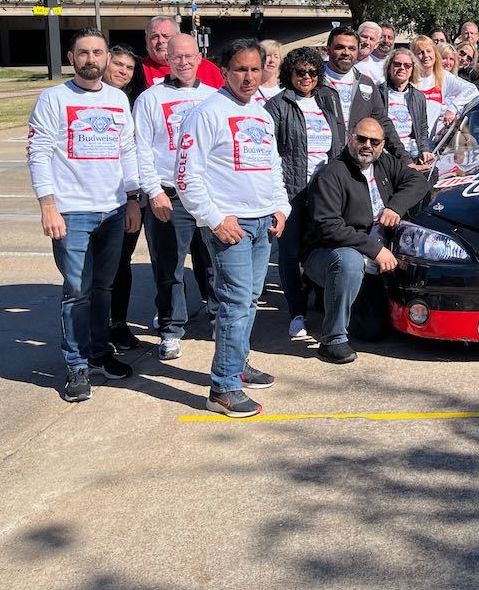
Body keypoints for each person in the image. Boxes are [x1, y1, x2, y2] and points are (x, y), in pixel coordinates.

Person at [176, 38, 289, 418]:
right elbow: (187, 176)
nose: (249, 77)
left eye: (255, 69)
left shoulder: (261, 113)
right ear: (224, 71)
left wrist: (280, 207)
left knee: (249, 300)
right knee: (235, 304)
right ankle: (223, 388)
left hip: (262, 222)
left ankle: (237, 364)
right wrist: (214, 218)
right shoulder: (207, 112)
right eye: (241, 69)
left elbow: (272, 167)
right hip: (231, 226)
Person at [27, 28, 141, 402]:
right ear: (71, 57)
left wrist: (132, 199)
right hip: (71, 212)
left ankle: (99, 352)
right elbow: (39, 154)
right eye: (83, 53)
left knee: (103, 288)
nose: (91, 59)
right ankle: (76, 365)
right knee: (77, 292)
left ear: (106, 57)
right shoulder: (53, 99)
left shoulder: (118, 99)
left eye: (97, 52)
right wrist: (48, 205)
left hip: (113, 210)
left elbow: (127, 151)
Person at [305, 117, 430, 363]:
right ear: (350, 138)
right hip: (331, 253)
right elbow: (329, 228)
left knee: (371, 330)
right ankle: (332, 340)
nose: (367, 145)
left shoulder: (384, 162)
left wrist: (395, 207)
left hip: (373, 254)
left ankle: (337, 299)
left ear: (382, 144)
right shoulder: (331, 174)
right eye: (361, 139)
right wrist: (376, 250)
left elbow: (418, 181)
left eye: (374, 141)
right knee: (349, 261)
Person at [133, 33, 219, 361]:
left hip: (208, 196)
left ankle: (217, 317)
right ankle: (171, 328)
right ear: (167, 59)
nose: (183, 62)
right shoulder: (150, 99)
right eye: (176, 56)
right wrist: (154, 191)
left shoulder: (213, 97)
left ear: (199, 58)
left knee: (214, 264)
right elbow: (141, 150)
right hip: (169, 197)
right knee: (169, 268)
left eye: (189, 56)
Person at [264, 46, 340, 341]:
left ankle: (319, 301)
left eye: (312, 72)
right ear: (289, 73)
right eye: (300, 72)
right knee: (290, 254)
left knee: (322, 246)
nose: (307, 77)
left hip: (324, 192)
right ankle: (296, 311)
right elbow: (269, 154)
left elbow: (337, 146)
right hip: (291, 192)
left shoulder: (327, 100)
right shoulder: (277, 105)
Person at [102, 43, 143, 351]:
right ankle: (95, 328)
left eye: (129, 67)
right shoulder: (90, 98)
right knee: (97, 268)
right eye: (118, 64)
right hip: (94, 196)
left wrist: (135, 196)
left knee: (121, 262)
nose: (123, 71)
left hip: (128, 195)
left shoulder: (135, 101)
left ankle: (118, 323)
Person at [320, 26, 406, 157]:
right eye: (340, 47)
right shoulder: (314, 81)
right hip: (322, 160)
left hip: (355, 159)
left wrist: (404, 158)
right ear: (328, 49)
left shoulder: (366, 83)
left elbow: (383, 122)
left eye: (352, 48)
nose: (346, 52)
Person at [130, 14, 224, 99]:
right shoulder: (136, 70)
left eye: (166, 36)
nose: (161, 41)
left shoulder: (208, 69)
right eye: (155, 37)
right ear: (147, 41)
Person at [411, 35, 479, 137]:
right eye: (420, 52)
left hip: (432, 142)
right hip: (410, 140)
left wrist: (452, 108)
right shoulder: (408, 77)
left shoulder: (443, 76)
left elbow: (472, 89)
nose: (426, 55)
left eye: (429, 51)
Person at [380, 47, 437, 166]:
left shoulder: (418, 97)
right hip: (385, 156)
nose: (402, 68)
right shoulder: (378, 93)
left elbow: (422, 128)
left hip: (412, 155)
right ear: (389, 67)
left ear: (412, 70)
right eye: (397, 64)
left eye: (407, 66)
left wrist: (424, 150)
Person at [254, 38, 284, 102]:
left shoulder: (285, 89)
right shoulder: (249, 89)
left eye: (276, 57)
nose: (272, 60)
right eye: (268, 55)